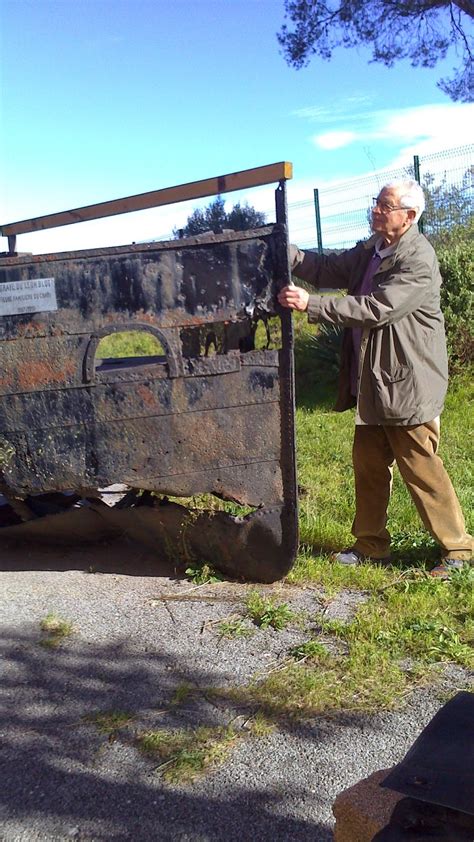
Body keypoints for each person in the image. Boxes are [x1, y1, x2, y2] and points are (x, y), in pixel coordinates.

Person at [278, 179, 472, 577]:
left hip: (406, 381)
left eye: (385, 205)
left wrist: (311, 305)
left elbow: (377, 308)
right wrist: (288, 253)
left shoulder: (417, 257)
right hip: (375, 384)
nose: (376, 210)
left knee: (421, 468)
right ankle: (370, 546)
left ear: (409, 215)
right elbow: (328, 267)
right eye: (377, 203)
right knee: (367, 465)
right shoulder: (372, 250)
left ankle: (459, 551)